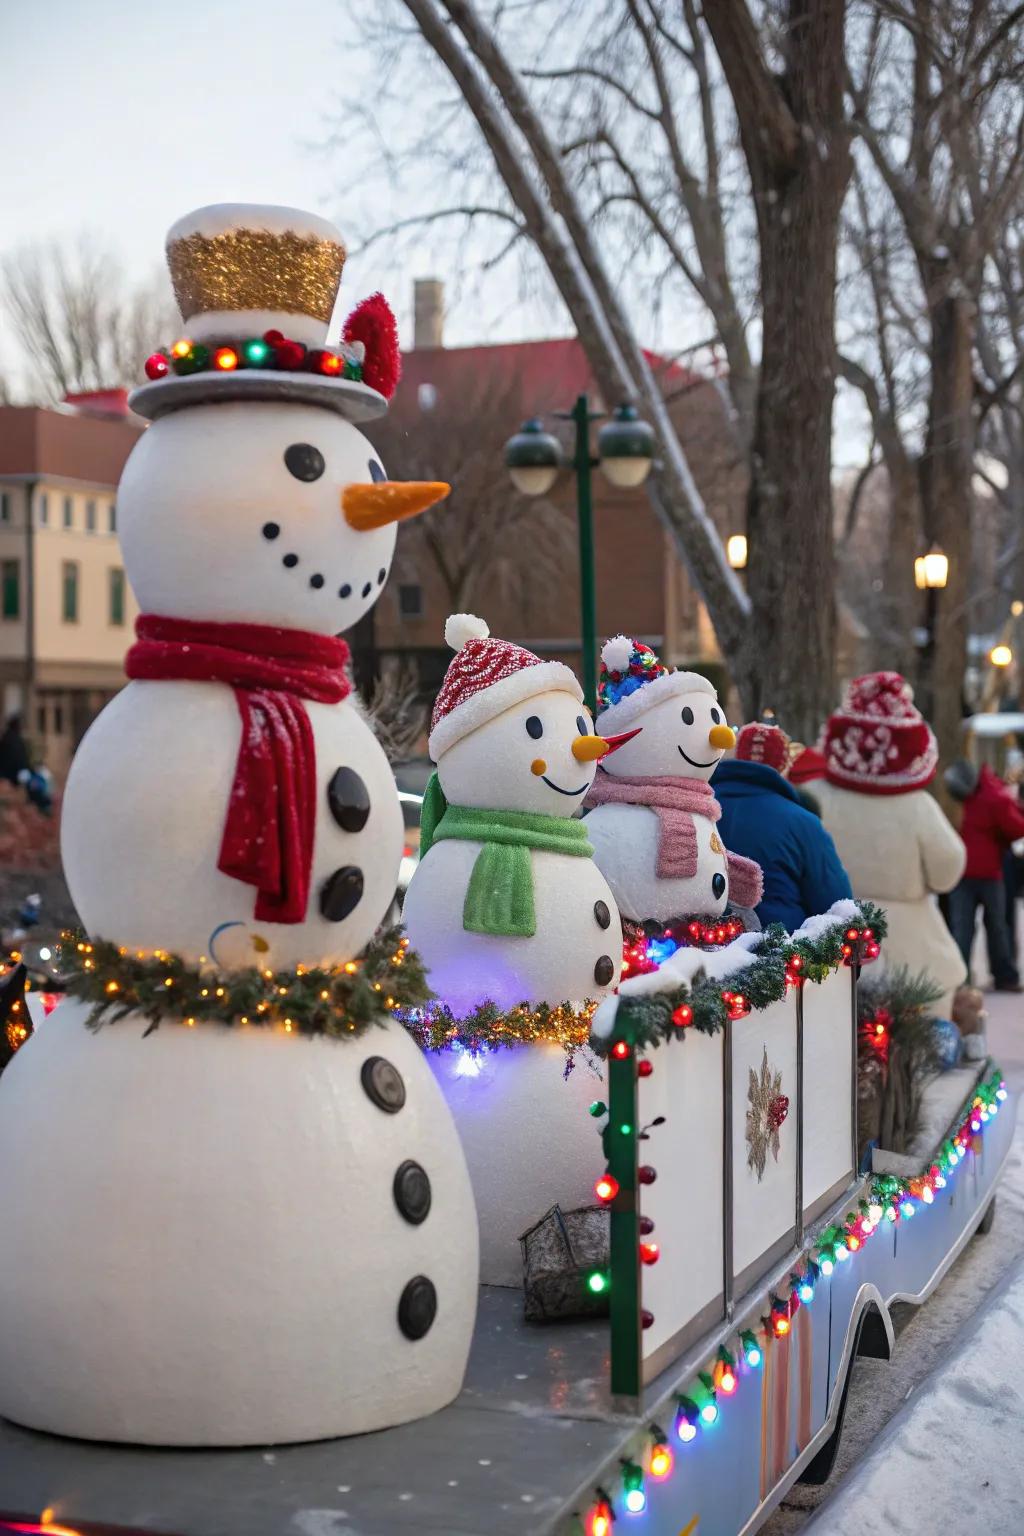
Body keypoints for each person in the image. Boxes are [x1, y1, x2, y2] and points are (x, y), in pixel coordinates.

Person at [814, 671, 966, 1018]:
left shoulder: (817, 799)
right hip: (914, 948)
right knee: (924, 1035)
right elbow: (947, 869)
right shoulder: (918, 807)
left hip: (833, 938)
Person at [713, 722, 852, 931]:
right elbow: (836, 907)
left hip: (699, 945)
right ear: (784, 766)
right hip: (781, 944)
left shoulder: (701, 809)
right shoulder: (803, 823)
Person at [946, 760, 1024, 991]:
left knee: (963, 928)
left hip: (964, 873)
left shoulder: (959, 800)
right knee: (997, 926)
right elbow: (1016, 828)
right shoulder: (995, 798)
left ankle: (959, 979)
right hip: (990, 874)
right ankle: (1004, 976)